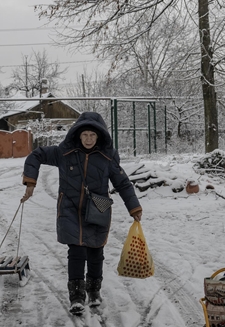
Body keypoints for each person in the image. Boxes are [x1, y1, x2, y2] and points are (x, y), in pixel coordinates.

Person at [21, 111, 142, 315]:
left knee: (95, 252)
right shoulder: (63, 152)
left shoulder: (107, 157)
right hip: (70, 208)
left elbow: (122, 182)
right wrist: (30, 182)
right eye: (84, 135)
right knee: (76, 251)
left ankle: (94, 291)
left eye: (92, 135)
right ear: (78, 134)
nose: (88, 139)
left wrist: (134, 207)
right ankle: (76, 296)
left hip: (98, 208)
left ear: (99, 136)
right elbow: (36, 155)